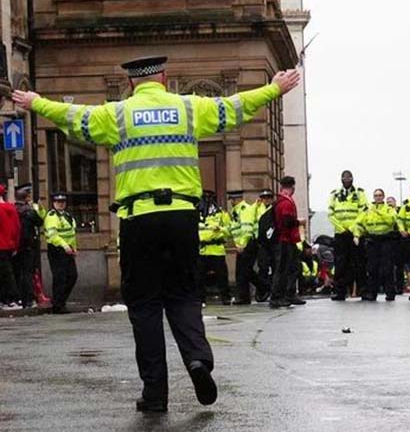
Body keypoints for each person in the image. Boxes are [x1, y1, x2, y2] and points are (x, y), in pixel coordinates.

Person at [13, 56, 301, 412]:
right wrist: (274, 88)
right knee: (183, 296)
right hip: (182, 218)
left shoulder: (116, 114)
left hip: (138, 220)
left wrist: (34, 102)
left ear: (133, 83)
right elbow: (235, 107)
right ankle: (198, 360)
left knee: (145, 307)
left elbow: (74, 118)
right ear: (164, 78)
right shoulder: (189, 108)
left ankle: (155, 393)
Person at [328, 170, 367, 300]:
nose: (346, 180)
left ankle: (363, 290)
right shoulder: (335, 194)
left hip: (354, 233)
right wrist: (341, 228)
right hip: (340, 233)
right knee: (340, 264)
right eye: (344, 178)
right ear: (341, 179)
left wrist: (351, 228)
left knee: (359, 262)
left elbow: (363, 212)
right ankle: (339, 292)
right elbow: (330, 214)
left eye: (349, 178)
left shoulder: (359, 193)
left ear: (352, 179)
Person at [353, 188, 398, 301]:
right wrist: (356, 235)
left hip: (386, 240)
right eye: (376, 195)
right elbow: (358, 224)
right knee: (372, 268)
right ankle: (372, 293)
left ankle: (390, 293)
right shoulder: (367, 210)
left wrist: (378, 212)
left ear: (383, 197)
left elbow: (391, 220)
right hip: (373, 241)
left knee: (387, 268)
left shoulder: (389, 209)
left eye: (380, 195)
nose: (378, 197)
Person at [270, 176, 305, 308]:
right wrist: (298, 222)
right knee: (283, 269)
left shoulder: (280, 201)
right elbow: (287, 221)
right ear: (292, 187)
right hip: (285, 240)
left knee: (291, 268)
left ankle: (288, 294)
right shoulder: (286, 203)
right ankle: (277, 297)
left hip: (285, 239)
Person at [228, 189, 264, 304]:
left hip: (248, 244)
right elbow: (234, 228)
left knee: (244, 272)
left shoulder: (244, 210)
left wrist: (242, 244)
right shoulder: (236, 211)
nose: (231, 202)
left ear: (237, 199)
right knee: (242, 272)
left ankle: (263, 287)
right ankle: (245, 296)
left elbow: (247, 228)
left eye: (232, 200)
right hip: (243, 244)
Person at [44, 193, 76, 314]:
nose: (61, 204)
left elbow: (72, 234)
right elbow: (53, 235)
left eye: (63, 202)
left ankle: (60, 301)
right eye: (58, 202)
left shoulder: (68, 216)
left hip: (68, 249)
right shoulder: (52, 216)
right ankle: (58, 305)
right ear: (53, 203)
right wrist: (64, 246)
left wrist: (74, 248)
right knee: (60, 277)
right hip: (56, 249)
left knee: (72, 276)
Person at [197, 190, 231, 305]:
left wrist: (219, 230)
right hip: (202, 250)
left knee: (222, 277)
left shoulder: (221, 213)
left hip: (217, 250)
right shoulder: (197, 213)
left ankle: (226, 297)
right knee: (199, 277)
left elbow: (228, 230)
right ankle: (201, 299)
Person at [13, 184, 44, 308]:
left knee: (18, 273)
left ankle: (20, 298)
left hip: (15, 246)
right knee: (28, 273)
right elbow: (40, 221)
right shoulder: (28, 211)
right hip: (28, 245)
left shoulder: (14, 209)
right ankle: (29, 299)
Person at [0, 185, 21, 308]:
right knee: (8, 272)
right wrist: (15, 245)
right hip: (9, 245)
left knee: (5, 274)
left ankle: (11, 298)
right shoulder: (11, 209)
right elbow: (17, 229)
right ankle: (10, 298)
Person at [254, 188, 275, 301]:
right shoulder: (257, 209)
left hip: (272, 243)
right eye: (264, 198)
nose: (266, 200)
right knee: (263, 268)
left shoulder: (274, 209)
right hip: (261, 243)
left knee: (274, 267)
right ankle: (263, 290)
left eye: (268, 198)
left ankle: (272, 290)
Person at [386, 196, 405, 295]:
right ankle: (390, 287)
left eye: (391, 201)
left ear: (395, 202)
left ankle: (400, 287)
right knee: (388, 266)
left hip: (399, 241)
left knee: (399, 266)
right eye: (387, 202)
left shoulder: (400, 211)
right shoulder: (385, 212)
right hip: (389, 240)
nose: (389, 203)